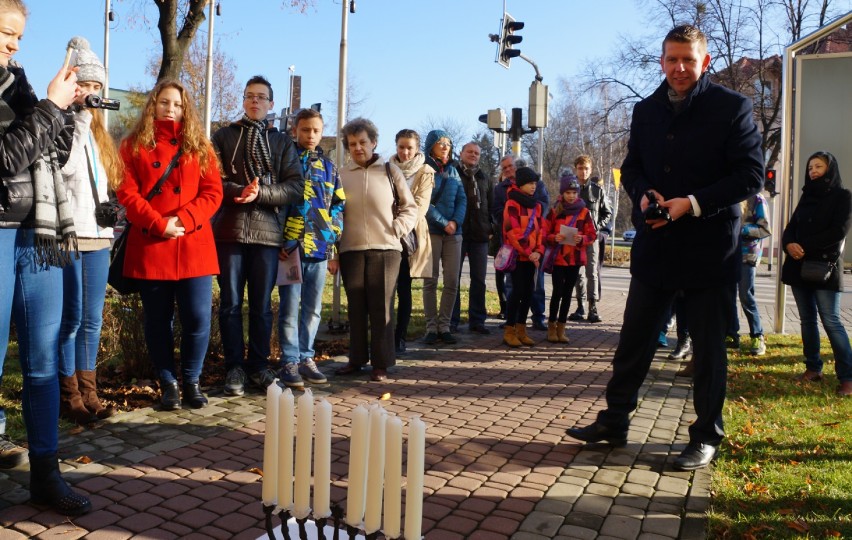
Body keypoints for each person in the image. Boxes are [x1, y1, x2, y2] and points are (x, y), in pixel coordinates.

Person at [567, 24, 764, 471]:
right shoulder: (646, 110)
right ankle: (614, 421)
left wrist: (691, 203)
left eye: (688, 61)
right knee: (634, 342)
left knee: (709, 351)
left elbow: (750, 175)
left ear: (705, 62)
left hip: (709, 250)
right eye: (672, 59)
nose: (679, 68)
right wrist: (641, 193)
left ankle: (706, 435)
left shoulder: (732, 107)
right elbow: (632, 166)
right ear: (661, 61)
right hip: (656, 247)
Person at [0, 0, 92, 514]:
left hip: (39, 233)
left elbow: (51, 154)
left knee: (41, 360)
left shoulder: (19, 84)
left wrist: (68, 110)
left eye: (18, 36)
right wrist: (50, 111)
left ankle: (46, 475)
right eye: (5, 33)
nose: (14, 45)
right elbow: (6, 159)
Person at [118, 80, 223, 410]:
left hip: (193, 244)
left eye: (177, 104)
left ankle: (191, 381)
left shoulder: (199, 147)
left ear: (185, 108)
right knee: (157, 320)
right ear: (153, 104)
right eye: (164, 102)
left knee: (198, 318)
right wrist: (157, 223)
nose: (170, 109)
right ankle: (169, 385)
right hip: (152, 244)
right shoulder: (133, 145)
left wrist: (184, 220)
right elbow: (127, 193)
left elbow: (213, 193)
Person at [211, 75, 304, 397]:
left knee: (262, 306)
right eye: (250, 96)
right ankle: (234, 367)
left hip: (267, 234)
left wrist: (261, 193)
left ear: (270, 104)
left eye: (261, 97)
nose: (255, 101)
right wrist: (239, 191)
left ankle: (259, 366)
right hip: (230, 232)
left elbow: (295, 187)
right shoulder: (223, 136)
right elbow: (212, 180)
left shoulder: (281, 142)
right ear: (243, 100)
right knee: (230, 304)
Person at [58, 37, 119, 425]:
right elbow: (63, 168)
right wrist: (77, 113)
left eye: (97, 88)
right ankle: (69, 398)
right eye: (85, 86)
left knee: (92, 318)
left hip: (99, 235)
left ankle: (90, 393)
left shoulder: (102, 136)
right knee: (72, 317)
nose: (92, 95)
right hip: (70, 234)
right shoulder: (63, 123)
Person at [335, 118, 417, 381]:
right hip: (351, 248)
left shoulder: (391, 171)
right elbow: (334, 213)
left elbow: (410, 207)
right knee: (356, 306)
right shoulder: (341, 174)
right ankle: (356, 359)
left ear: (373, 142)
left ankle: (381, 363)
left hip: (386, 249)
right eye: (352, 144)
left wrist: (397, 228)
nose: (358, 148)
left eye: (362, 142)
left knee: (382, 307)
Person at [276, 108, 345, 388]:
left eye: (316, 130)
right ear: (295, 130)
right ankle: (289, 360)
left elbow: (339, 203)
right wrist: (281, 238)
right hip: (289, 249)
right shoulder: (284, 162)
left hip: (318, 248)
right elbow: (277, 201)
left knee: (313, 308)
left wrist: (332, 232)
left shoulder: (329, 167)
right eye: (306, 130)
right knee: (290, 308)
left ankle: (307, 357)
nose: (311, 135)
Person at [781, 151, 852, 397]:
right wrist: (788, 244)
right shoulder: (806, 196)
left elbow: (838, 232)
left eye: (818, 166)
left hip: (824, 268)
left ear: (830, 169)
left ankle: (848, 378)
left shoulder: (843, 196)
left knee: (831, 321)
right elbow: (790, 228)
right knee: (807, 320)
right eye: (810, 167)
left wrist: (803, 246)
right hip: (798, 267)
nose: (813, 170)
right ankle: (813, 369)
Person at [491, 155, 549, 330]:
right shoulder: (501, 190)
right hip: (515, 248)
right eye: (504, 168)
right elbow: (497, 213)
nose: (507, 170)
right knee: (514, 287)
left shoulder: (536, 186)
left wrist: (538, 249)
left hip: (533, 249)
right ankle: (512, 320)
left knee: (534, 286)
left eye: (510, 166)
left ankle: (537, 317)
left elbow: (543, 212)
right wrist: (513, 221)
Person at [391, 129, 434, 354]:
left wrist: (398, 224)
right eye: (401, 147)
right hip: (385, 233)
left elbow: (420, 206)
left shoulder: (425, 172)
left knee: (404, 288)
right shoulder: (386, 168)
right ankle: (385, 336)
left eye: (410, 147)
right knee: (386, 288)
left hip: (409, 236)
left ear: (417, 149)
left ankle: (400, 337)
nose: (405, 152)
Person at [421, 130, 466, 345]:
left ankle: (445, 326)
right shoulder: (424, 169)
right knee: (430, 281)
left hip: (453, 233)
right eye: (441, 143)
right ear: (431, 146)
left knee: (451, 281)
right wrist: (443, 222)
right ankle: (431, 327)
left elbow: (462, 199)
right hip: (432, 231)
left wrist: (455, 222)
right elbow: (423, 202)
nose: (446, 146)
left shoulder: (454, 171)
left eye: (448, 143)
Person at [543, 175, 596, 343]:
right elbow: (544, 233)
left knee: (567, 294)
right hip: (559, 259)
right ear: (562, 192)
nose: (571, 196)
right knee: (557, 292)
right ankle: (551, 327)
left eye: (574, 192)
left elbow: (592, 234)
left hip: (575, 259)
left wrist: (583, 239)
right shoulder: (555, 210)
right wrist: (554, 237)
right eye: (568, 192)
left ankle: (561, 328)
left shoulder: (584, 212)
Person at [450, 142, 492, 334]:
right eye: (470, 152)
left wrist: (491, 227)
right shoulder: (452, 174)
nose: (473, 155)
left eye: (476, 153)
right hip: (457, 233)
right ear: (461, 153)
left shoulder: (485, 178)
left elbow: (492, 205)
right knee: (453, 278)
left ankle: (477, 320)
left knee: (479, 279)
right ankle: (452, 320)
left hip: (480, 235)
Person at [502, 167, 545, 347]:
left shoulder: (537, 205)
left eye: (535, 183)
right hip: (519, 257)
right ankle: (509, 330)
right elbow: (513, 232)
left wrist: (539, 251)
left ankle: (521, 330)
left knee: (528, 293)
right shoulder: (512, 204)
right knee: (516, 292)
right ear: (521, 184)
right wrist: (529, 252)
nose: (533, 186)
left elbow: (541, 230)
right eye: (530, 183)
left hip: (532, 257)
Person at [568, 155, 612, 324]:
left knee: (591, 272)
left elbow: (607, 213)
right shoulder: (571, 190)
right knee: (577, 273)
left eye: (586, 168)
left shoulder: (598, 190)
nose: (583, 171)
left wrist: (597, 227)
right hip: (574, 237)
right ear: (575, 169)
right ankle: (580, 306)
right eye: (580, 168)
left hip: (591, 237)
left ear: (590, 170)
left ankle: (593, 308)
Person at [730, 193, 771, 355]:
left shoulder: (757, 199)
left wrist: (740, 230)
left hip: (747, 255)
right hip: (728, 255)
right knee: (728, 295)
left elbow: (764, 228)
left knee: (746, 295)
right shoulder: (729, 193)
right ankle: (731, 335)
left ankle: (757, 335)